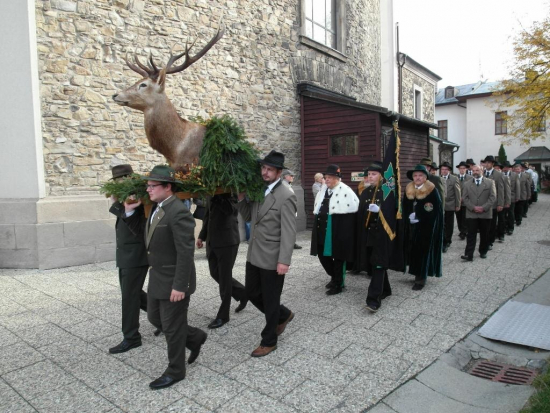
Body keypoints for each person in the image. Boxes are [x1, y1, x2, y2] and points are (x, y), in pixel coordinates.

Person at [126, 165, 208, 389]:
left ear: (167, 187)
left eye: (153, 186)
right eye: (148, 185)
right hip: (157, 278)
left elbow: (185, 252)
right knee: (155, 318)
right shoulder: (156, 207)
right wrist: (130, 212)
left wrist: (180, 285)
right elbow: (148, 238)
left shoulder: (178, 212)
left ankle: (175, 371)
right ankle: (194, 337)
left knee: (171, 328)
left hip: (174, 280)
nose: (148, 189)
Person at [237, 150, 296, 358]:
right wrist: (242, 199)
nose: (265, 172)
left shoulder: (286, 195)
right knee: (252, 292)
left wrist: (284, 261)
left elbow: (289, 232)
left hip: (272, 257)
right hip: (254, 253)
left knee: (271, 299)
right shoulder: (257, 190)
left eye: (269, 169)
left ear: (279, 172)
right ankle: (283, 314)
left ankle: (269, 340)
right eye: (263, 168)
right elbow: (249, 217)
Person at [108, 164, 149, 355]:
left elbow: (137, 227)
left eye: (120, 181)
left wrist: (119, 204)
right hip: (125, 255)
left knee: (129, 298)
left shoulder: (136, 199)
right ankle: (164, 318)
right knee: (134, 294)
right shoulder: (124, 199)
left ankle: (131, 337)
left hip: (135, 256)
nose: (117, 185)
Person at [197, 194, 248, 329]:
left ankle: (223, 316)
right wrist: (202, 236)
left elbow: (231, 210)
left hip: (227, 241)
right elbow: (207, 215)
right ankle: (243, 293)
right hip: (212, 241)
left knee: (225, 279)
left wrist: (217, 197)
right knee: (215, 273)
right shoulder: (210, 193)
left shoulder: (228, 192)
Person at [311, 164, 360, 295]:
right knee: (322, 255)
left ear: (337, 178)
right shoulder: (323, 190)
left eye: (329, 178)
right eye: (325, 177)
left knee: (338, 257)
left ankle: (338, 283)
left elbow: (352, 214)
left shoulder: (346, 191)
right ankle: (333, 276)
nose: (326, 180)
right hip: (322, 229)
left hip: (337, 230)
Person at [355, 161, 396, 312]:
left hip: (382, 234)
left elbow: (393, 213)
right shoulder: (365, 192)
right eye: (369, 174)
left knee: (379, 263)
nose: (370, 177)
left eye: (374, 174)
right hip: (369, 233)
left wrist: (380, 211)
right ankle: (386, 289)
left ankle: (373, 299)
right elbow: (360, 214)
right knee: (375, 262)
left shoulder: (387, 191)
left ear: (381, 176)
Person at [402, 164, 443, 290]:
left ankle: (421, 279)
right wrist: (408, 216)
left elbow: (434, 210)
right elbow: (405, 206)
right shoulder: (409, 189)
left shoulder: (432, 190)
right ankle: (415, 273)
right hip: (411, 226)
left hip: (426, 227)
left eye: (420, 175)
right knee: (413, 250)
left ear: (425, 177)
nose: (417, 177)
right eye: (415, 175)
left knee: (423, 251)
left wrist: (419, 216)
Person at [461, 164, 496, 261]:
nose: (475, 172)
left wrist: (483, 208)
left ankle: (483, 251)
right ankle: (469, 254)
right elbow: (465, 198)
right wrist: (473, 207)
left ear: (482, 171)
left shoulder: (490, 183)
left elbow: (492, 197)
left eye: (477, 170)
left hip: (485, 213)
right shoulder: (467, 184)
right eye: (473, 170)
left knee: (484, 234)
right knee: (471, 234)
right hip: (471, 213)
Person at [483, 156, 505, 246]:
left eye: (489, 162)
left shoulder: (498, 174)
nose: (487, 164)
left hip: (493, 203)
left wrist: (500, 203)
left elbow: (501, 190)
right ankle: (484, 240)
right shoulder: (482, 173)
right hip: (483, 203)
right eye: (485, 162)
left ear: (492, 164)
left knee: (492, 224)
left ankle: (490, 241)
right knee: (484, 224)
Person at [439, 162, 461, 253]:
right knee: (441, 224)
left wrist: (457, 204)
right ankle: (442, 240)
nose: (444, 171)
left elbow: (457, 192)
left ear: (449, 170)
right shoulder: (438, 178)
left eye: (446, 169)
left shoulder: (454, 179)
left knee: (449, 224)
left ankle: (448, 241)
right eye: (442, 169)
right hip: (440, 205)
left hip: (450, 205)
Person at [282, 169, 302, 250]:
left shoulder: (287, 185)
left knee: (291, 228)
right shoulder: (283, 185)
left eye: (293, 175)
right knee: (288, 228)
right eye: (291, 176)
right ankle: (290, 243)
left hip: (291, 210)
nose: (293, 177)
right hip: (287, 211)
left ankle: (292, 243)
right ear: (285, 176)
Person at [455, 161, 473, 240]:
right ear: (459, 169)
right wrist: (458, 198)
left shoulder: (470, 178)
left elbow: (471, 190)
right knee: (458, 217)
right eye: (460, 168)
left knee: (465, 217)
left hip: (466, 201)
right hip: (457, 201)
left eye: (463, 168)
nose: (462, 170)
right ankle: (461, 229)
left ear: (466, 169)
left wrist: (464, 197)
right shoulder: (455, 177)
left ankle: (464, 231)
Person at [502, 161, 520, 235]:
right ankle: (504, 227)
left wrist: (517, 196)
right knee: (503, 214)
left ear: (509, 168)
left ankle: (510, 228)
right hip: (502, 197)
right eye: (504, 167)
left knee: (510, 213)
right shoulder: (501, 174)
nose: (505, 168)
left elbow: (517, 186)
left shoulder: (514, 175)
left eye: (507, 167)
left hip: (511, 197)